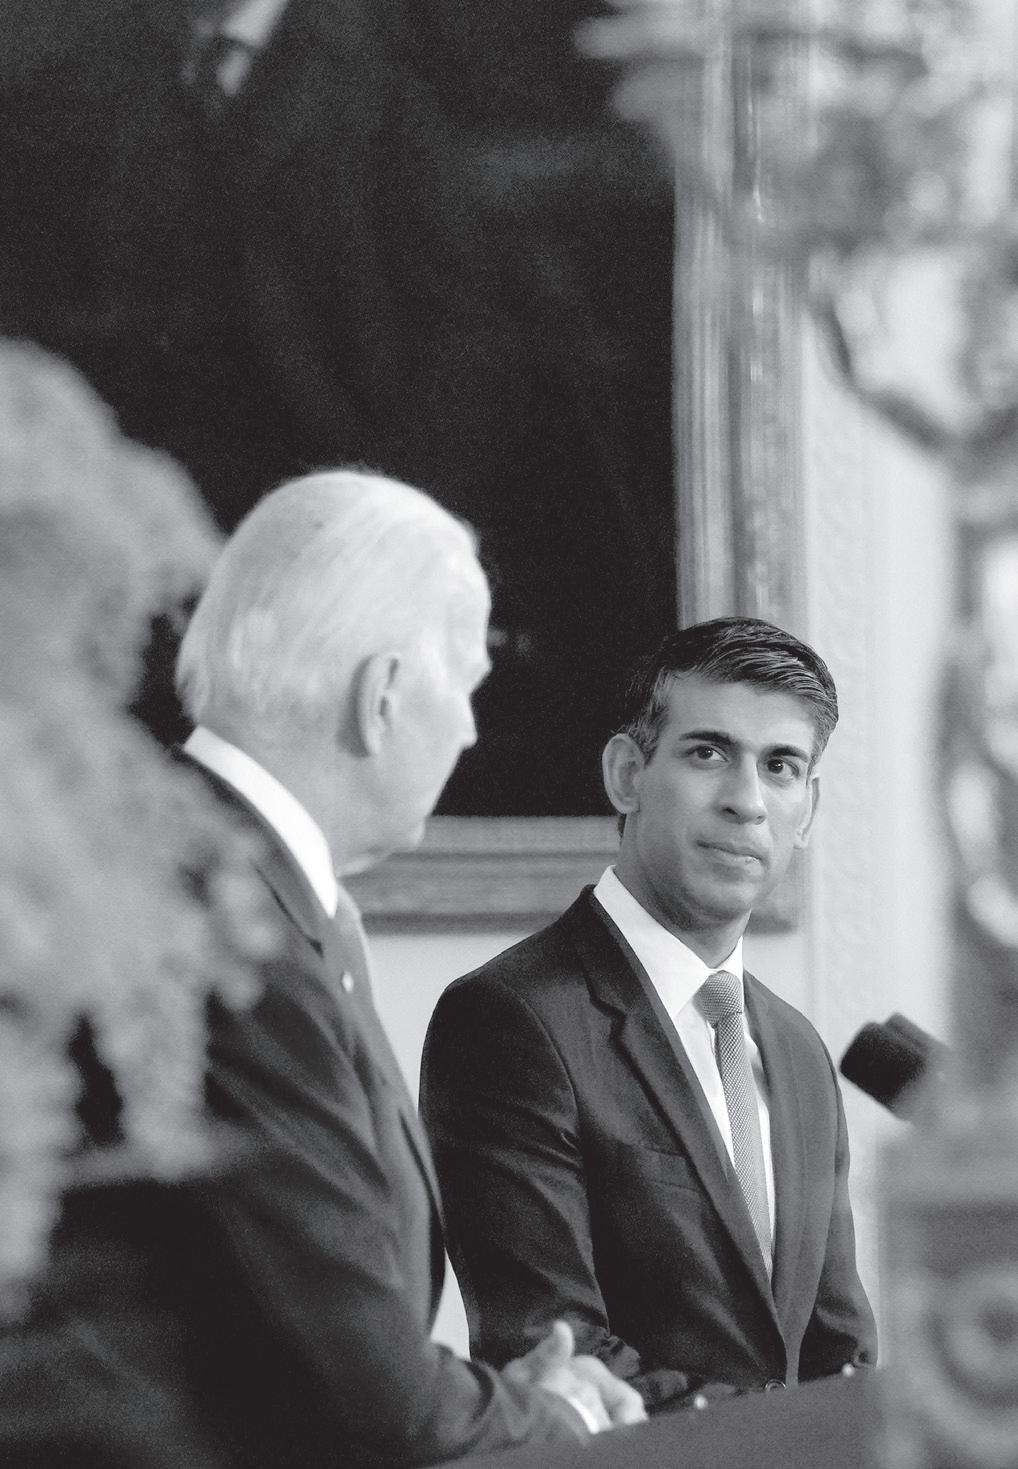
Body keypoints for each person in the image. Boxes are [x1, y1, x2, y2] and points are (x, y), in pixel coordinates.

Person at [167, 468, 645, 1465]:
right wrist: (560, 1415)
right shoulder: (229, 922)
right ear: (381, 695)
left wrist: (500, 1397)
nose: (470, 727)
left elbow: (286, 1329)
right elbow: (365, 1396)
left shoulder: (208, 866)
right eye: (464, 684)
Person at [421, 617, 878, 1414]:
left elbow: (840, 1354)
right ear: (627, 773)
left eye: (780, 766)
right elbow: (552, 1350)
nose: (746, 801)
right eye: (709, 753)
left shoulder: (799, 1049)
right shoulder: (509, 1017)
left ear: (807, 808)